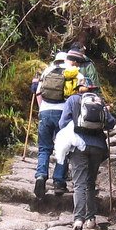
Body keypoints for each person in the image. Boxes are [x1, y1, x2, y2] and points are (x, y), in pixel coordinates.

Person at [58, 82, 115, 230]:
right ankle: (91, 218)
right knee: (90, 182)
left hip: (78, 146)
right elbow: (110, 123)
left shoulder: (72, 100)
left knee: (79, 183)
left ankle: (78, 219)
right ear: (92, 90)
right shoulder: (99, 101)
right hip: (97, 146)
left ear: (77, 89)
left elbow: (62, 123)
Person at [30, 51, 80, 199]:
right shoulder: (72, 72)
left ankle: (40, 176)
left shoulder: (47, 70)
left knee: (44, 148)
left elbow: (36, 92)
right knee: (63, 148)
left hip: (45, 112)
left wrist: (41, 111)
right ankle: (59, 182)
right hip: (63, 114)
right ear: (68, 60)